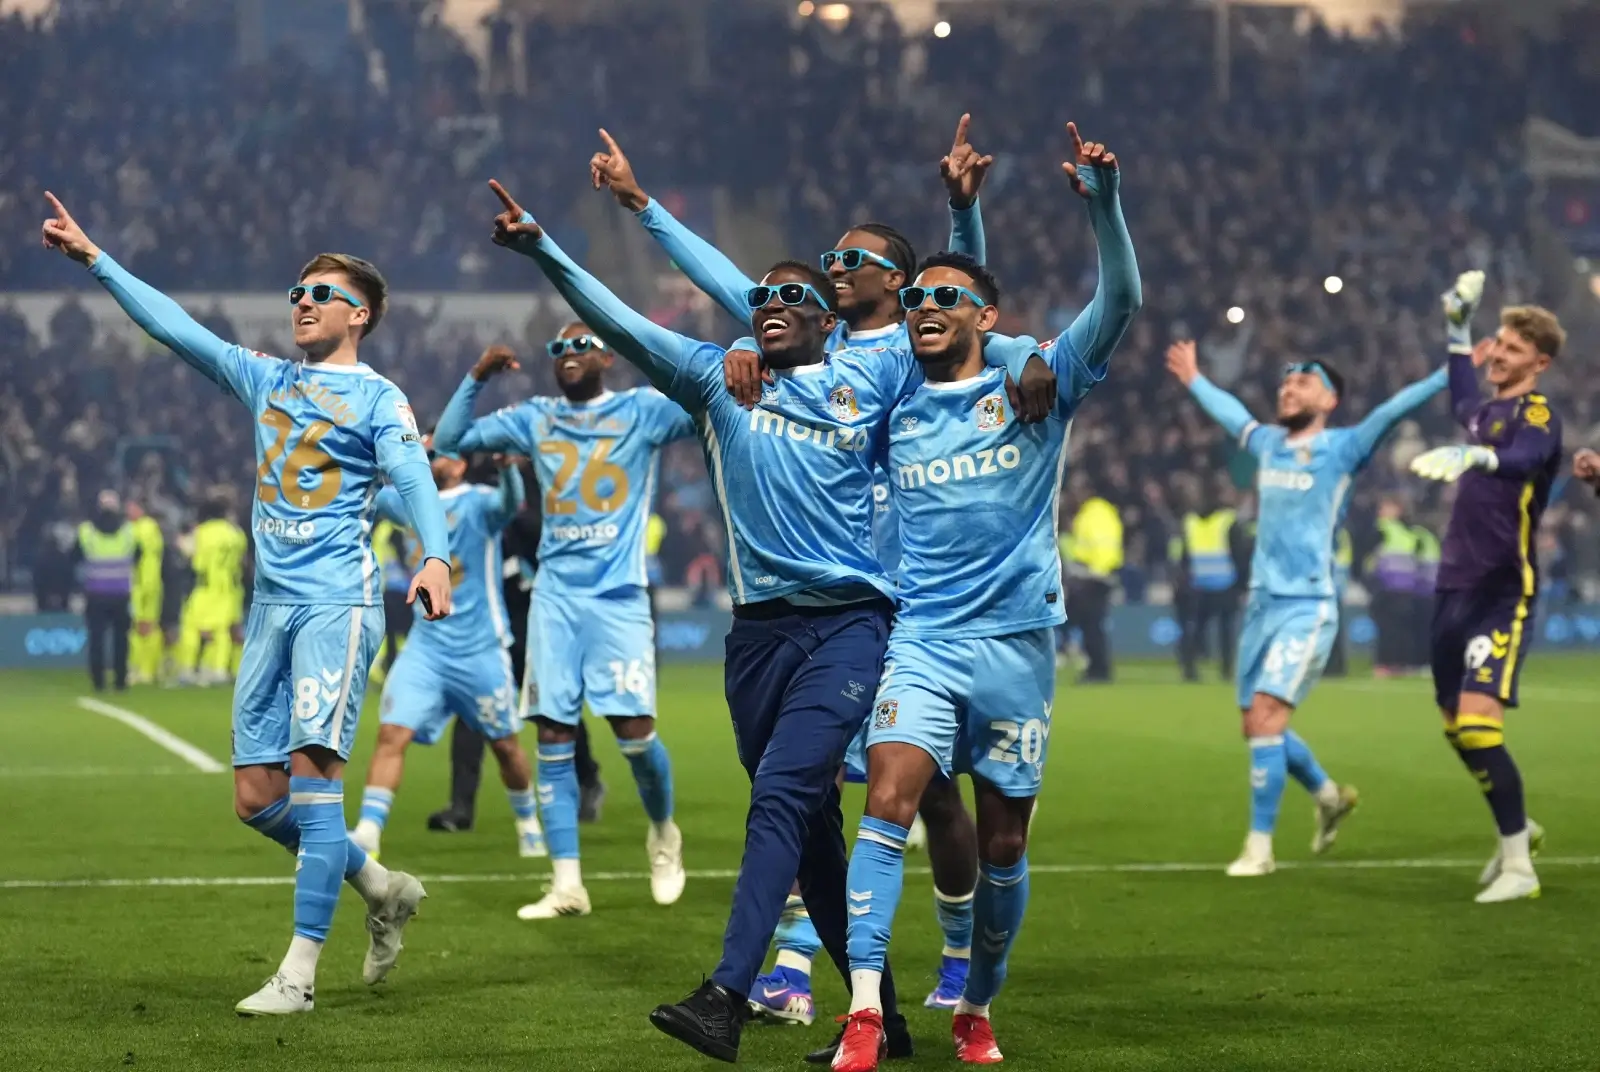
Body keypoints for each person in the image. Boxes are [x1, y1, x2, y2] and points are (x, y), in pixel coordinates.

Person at [478, 177, 1050, 1063]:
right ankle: (887, 1020)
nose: (776, 303)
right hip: (755, 640)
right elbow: (626, 322)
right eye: (764, 297)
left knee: (788, 798)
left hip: (854, 628)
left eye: (799, 296)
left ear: (831, 321)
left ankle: (727, 991)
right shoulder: (718, 378)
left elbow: (961, 303)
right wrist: (548, 246)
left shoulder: (877, 369)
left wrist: (1019, 353)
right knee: (812, 823)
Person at [593, 117, 998, 1027]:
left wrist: (961, 216)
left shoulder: (906, 350)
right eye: (827, 260)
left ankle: (940, 956)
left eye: (849, 258)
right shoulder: (798, 345)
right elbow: (729, 285)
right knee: (819, 797)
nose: (833, 264)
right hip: (797, 607)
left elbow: (963, 298)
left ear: (896, 283)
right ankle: (853, 994)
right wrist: (642, 205)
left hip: (896, 602)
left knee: (913, 790)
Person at [41, 192, 452, 1015]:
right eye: (296, 292)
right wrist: (97, 260)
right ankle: (380, 888)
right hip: (269, 611)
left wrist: (436, 554)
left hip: (336, 603)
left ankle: (297, 978)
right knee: (255, 801)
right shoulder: (264, 379)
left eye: (320, 293)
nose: (301, 302)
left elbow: (411, 478)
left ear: (359, 314)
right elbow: (174, 327)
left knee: (312, 787)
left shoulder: (379, 399)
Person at [836, 126, 1139, 1072]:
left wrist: (1103, 205)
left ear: (988, 315)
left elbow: (1121, 299)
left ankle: (977, 1002)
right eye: (915, 296)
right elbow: (932, 304)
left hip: (1015, 647)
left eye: (944, 298)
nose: (923, 307)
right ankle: (863, 1012)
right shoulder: (894, 402)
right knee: (886, 803)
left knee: (1005, 840)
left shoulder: (1038, 384)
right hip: (922, 640)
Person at [1165, 326, 1447, 878]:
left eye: (1304, 382)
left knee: (1268, 716)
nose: (1290, 388)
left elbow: (1392, 409)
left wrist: (1447, 373)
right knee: (1256, 725)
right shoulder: (1269, 443)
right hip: (1260, 606)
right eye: (1286, 382)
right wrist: (1196, 380)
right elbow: (1231, 415)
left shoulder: (1343, 449)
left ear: (1329, 400)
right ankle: (1327, 794)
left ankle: (1259, 848)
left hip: (1308, 605)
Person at [434, 329, 696, 918]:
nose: (568, 352)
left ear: (608, 356)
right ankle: (567, 884)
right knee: (553, 734)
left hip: (618, 598)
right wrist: (477, 375)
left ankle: (663, 832)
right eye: (557, 348)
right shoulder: (535, 417)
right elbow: (450, 440)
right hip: (554, 597)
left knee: (634, 733)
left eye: (582, 343)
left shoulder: (644, 411)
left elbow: (710, 411)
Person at [1408, 272, 1565, 903]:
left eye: (1512, 348)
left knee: (1478, 725)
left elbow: (1527, 458)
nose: (1497, 354)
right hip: (1454, 585)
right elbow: (1460, 397)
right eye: (1497, 342)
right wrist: (1455, 328)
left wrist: (1478, 459)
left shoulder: (1536, 413)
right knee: (1454, 725)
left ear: (1540, 363)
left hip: (1504, 587)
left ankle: (1519, 868)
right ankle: (1517, 827)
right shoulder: (1482, 411)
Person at [352, 441, 545, 861]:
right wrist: (391, 457)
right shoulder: (416, 505)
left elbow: (509, 503)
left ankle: (528, 824)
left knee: (506, 746)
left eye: (438, 453)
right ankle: (368, 830)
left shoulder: (478, 503)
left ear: (458, 465)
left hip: (480, 650)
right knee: (391, 732)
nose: (431, 459)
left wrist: (509, 469)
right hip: (427, 648)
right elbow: (373, 493)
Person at [174, 488, 248, 686]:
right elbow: (242, 560)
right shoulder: (236, 533)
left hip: (205, 586)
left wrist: (180, 539)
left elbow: (187, 551)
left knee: (191, 627)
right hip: (230, 589)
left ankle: (188, 669)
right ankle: (219, 669)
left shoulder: (202, 532)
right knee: (224, 631)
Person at [1174, 483, 1239, 682]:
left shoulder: (1189, 521)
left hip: (1198, 584)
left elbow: (1183, 555)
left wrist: (1181, 581)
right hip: (1225, 583)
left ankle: (1190, 669)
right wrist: (1244, 583)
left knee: (1194, 629)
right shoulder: (1228, 520)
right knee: (1226, 631)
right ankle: (1226, 669)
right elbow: (1240, 553)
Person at [77, 488, 136, 692]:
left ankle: (98, 681)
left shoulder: (87, 531)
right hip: (121, 593)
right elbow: (139, 554)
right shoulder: (128, 530)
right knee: (121, 639)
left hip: (96, 593)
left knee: (97, 640)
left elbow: (74, 556)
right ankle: (120, 680)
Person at [1066, 481, 1122, 682]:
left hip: (1094, 579)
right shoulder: (1099, 512)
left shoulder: (1094, 513)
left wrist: (1094, 574)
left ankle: (1098, 670)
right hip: (1096, 577)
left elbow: (1101, 547)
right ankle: (1098, 668)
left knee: (1092, 627)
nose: (1074, 495)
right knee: (1092, 626)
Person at [1367, 497, 1418, 677]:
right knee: (1391, 627)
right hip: (1394, 586)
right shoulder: (1403, 532)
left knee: (1394, 628)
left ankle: (1392, 663)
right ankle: (1391, 663)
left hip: (1395, 587)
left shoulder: (1387, 530)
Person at [127, 500, 165, 685]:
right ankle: (147, 670)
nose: (129, 511)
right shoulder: (153, 527)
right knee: (147, 627)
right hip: (152, 581)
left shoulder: (138, 528)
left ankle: (140, 669)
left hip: (141, 583)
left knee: (140, 627)